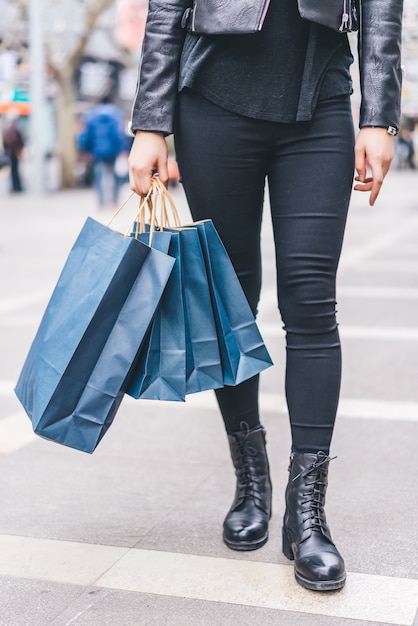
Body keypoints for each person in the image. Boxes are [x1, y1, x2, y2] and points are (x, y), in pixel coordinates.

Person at [128, 0, 403, 592]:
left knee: (310, 301)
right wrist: (151, 122)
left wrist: (380, 116)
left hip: (320, 97)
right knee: (233, 301)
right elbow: (166, 8)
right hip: (212, 104)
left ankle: (308, 513)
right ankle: (251, 478)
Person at [78, 95, 125, 208]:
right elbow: (119, 135)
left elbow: (87, 135)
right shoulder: (116, 115)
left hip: (97, 151)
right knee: (115, 176)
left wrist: (86, 150)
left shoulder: (91, 116)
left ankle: (101, 202)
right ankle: (114, 201)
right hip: (113, 151)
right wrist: (122, 149)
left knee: (99, 176)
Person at [2, 114, 25, 192]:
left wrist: (6, 151)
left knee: (13, 171)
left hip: (11, 153)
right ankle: (17, 186)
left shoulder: (8, 131)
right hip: (14, 153)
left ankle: (15, 186)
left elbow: (6, 144)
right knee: (15, 170)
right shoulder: (15, 131)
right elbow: (20, 142)